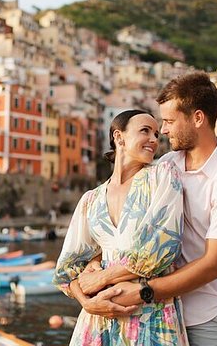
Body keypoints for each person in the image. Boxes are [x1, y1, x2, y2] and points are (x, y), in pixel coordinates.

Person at [82, 72, 217, 346]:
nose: (162, 131)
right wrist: (96, 263)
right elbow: (122, 226)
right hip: (157, 314)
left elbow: (213, 265)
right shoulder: (164, 167)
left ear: (198, 118)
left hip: (207, 316)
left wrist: (143, 292)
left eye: (169, 121)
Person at [53, 110, 188, 345]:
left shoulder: (162, 177)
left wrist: (101, 278)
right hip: (98, 318)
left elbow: (163, 247)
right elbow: (68, 269)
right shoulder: (90, 200)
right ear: (119, 136)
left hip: (151, 315)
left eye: (157, 134)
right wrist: (86, 302)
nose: (155, 140)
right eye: (145, 131)